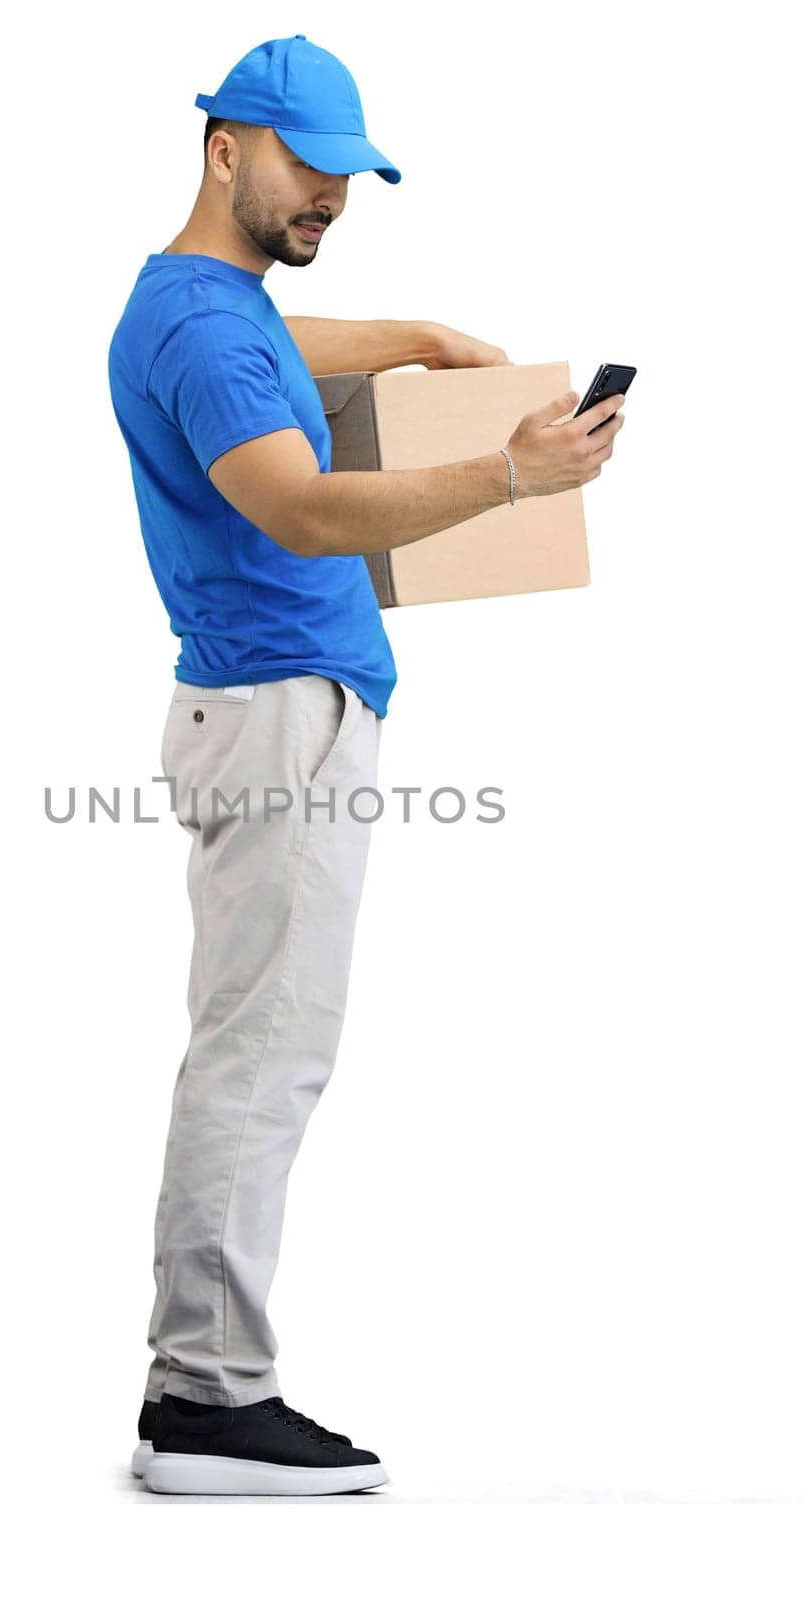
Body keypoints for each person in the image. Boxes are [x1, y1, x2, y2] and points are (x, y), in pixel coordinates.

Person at [107, 34, 625, 1499]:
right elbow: (303, 508)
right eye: (305, 166)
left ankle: (202, 1384)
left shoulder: (210, 304)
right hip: (276, 716)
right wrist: (511, 474)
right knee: (261, 1058)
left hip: (283, 707)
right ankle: (205, 1402)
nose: (330, 192)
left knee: (264, 1046)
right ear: (226, 151)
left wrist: (411, 334)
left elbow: (283, 351)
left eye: (348, 174)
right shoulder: (209, 333)